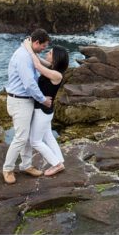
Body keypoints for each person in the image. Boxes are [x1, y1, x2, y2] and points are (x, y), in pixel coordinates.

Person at [2, 29, 52, 184]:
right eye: (43, 46)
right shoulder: (24, 57)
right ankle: (7, 169)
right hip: (20, 101)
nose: (44, 49)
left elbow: (42, 68)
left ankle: (26, 165)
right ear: (36, 43)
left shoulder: (29, 52)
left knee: (28, 136)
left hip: (26, 101)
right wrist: (43, 99)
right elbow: (29, 84)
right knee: (21, 137)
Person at [23, 38, 69, 176]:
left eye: (50, 52)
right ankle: (59, 159)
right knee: (48, 135)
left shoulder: (56, 74)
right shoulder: (52, 68)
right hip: (46, 110)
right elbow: (38, 59)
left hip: (42, 111)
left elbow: (37, 65)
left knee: (35, 141)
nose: (47, 53)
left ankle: (56, 164)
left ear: (55, 58)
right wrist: (30, 48)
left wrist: (27, 47)